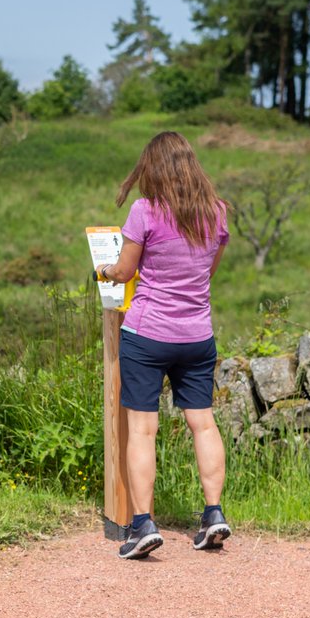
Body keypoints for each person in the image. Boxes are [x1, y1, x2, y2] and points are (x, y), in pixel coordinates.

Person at [95, 131, 230, 559]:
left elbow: (126, 270)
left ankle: (142, 525)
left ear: (152, 168)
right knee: (203, 424)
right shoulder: (216, 213)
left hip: (148, 334)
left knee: (143, 429)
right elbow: (208, 273)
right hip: (197, 336)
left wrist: (107, 270)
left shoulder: (145, 211)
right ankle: (213, 515)